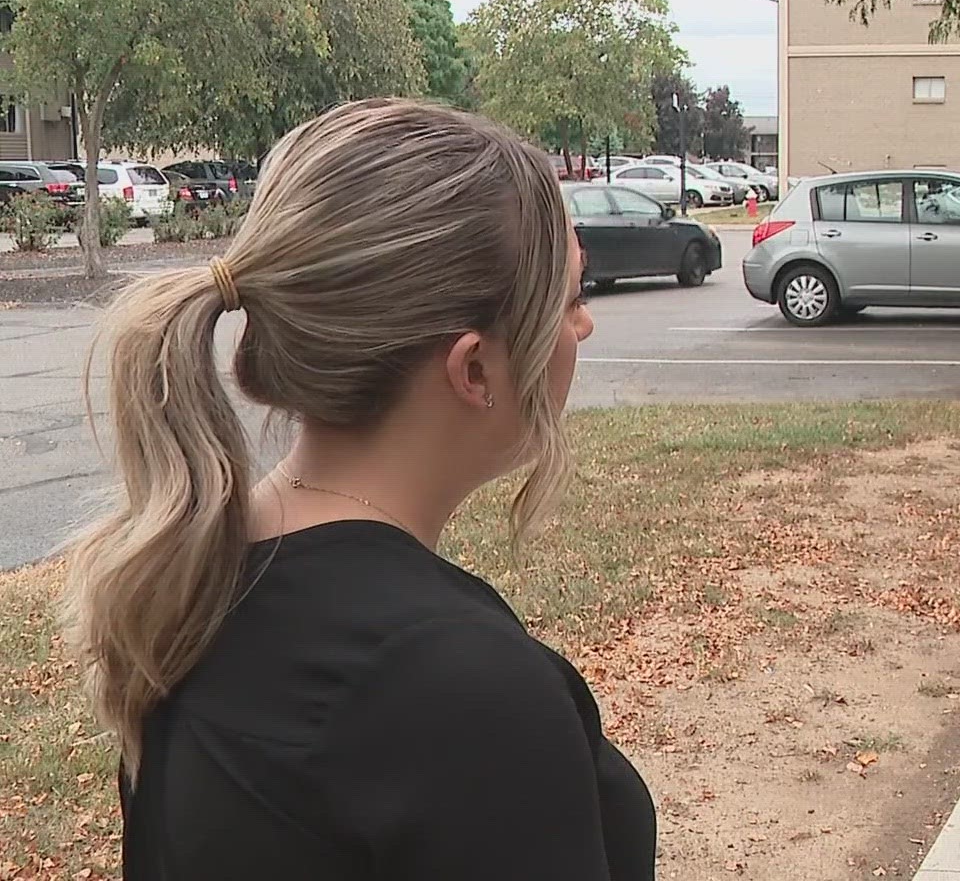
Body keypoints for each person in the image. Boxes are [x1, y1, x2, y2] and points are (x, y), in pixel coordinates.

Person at [62, 99, 657, 879]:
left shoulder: (187, 579)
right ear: (475, 369)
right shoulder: (460, 690)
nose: (582, 329)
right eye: (571, 300)